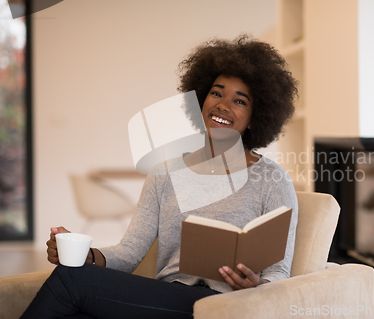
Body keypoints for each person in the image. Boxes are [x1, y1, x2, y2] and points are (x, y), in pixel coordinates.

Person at [21, 35, 299, 319]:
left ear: (255, 117)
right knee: (73, 301)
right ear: (202, 99)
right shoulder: (165, 173)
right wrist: (87, 256)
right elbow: (129, 252)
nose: (223, 105)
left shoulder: (272, 180)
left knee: (73, 281)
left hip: (226, 306)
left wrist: (258, 285)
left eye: (239, 101)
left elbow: (279, 272)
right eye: (216, 93)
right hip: (169, 298)